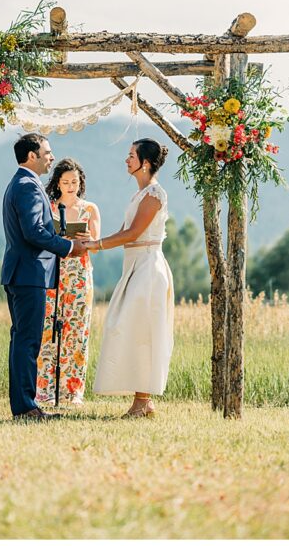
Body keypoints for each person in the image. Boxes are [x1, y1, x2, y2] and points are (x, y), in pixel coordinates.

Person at [83, 139, 174, 418]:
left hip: (148, 267)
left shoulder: (154, 195)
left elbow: (133, 234)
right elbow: (123, 232)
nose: (126, 159)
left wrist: (95, 245)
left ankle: (142, 401)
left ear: (145, 163)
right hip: (134, 264)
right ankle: (142, 400)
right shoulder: (139, 195)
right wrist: (92, 241)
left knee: (143, 329)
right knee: (126, 327)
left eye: (131, 155)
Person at [0, 134, 88, 421]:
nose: (51, 157)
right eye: (47, 153)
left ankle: (24, 404)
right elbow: (34, 232)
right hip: (28, 274)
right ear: (31, 156)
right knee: (28, 342)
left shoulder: (21, 183)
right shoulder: (27, 186)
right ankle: (26, 407)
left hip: (20, 273)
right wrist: (69, 247)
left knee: (22, 341)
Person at [36, 158, 101, 406]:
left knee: (76, 331)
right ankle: (44, 388)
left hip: (79, 274)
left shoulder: (90, 209)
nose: (71, 186)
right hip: (53, 271)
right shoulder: (49, 206)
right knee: (47, 329)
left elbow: (96, 244)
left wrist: (88, 238)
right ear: (58, 183)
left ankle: (72, 391)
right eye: (66, 182)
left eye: (74, 181)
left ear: (80, 182)